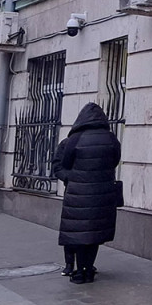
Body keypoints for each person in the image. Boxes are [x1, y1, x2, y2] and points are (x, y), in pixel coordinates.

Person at [52, 102, 121, 284]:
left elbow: (63, 165)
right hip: (102, 194)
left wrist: (71, 178)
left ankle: (79, 272)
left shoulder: (74, 139)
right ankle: (88, 269)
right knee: (94, 235)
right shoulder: (111, 138)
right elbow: (115, 160)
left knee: (80, 234)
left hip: (78, 195)